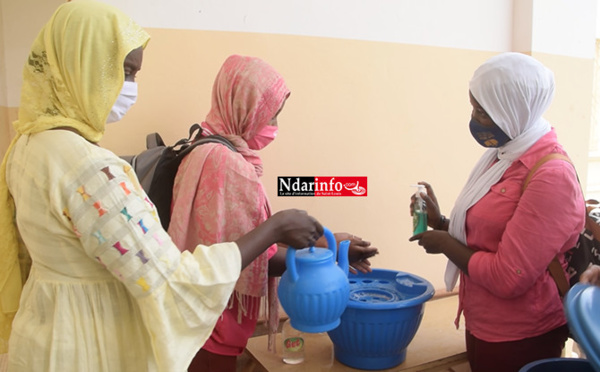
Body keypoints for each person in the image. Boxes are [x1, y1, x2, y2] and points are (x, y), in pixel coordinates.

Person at [0, 2, 323, 371]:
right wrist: (277, 227)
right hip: (88, 341)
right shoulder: (92, 170)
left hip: (44, 324)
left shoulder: (28, 144)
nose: (129, 87)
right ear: (80, 63)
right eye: (123, 70)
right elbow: (175, 281)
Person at [168, 54, 379, 371]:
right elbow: (249, 259)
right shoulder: (228, 165)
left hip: (191, 318)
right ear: (245, 108)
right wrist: (329, 255)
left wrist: (326, 242)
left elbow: (247, 240)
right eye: (271, 116)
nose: (274, 127)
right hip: (214, 328)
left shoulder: (203, 144)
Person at [408, 52, 584, 372]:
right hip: (482, 319)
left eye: (482, 111)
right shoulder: (504, 154)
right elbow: (493, 238)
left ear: (512, 109)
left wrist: (445, 243)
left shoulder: (550, 176)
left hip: (521, 334)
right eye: (473, 107)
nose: (474, 118)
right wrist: (443, 222)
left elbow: (508, 277)